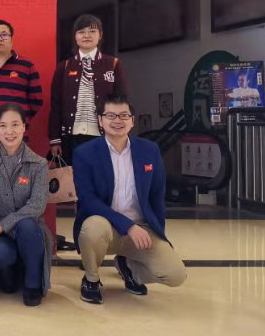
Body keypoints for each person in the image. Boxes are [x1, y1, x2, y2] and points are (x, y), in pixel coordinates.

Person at [74, 95, 187, 304]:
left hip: (141, 227)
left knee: (175, 274)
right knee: (92, 228)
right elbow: (88, 201)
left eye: (124, 115)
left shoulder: (149, 150)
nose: (118, 120)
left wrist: (159, 234)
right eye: (111, 115)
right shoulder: (85, 153)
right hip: (105, 226)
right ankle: (91, 279)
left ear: (132, 120)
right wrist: (128, 226)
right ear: (100, 120)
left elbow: (156, 196)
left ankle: (129, 270)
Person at [0, 104, 52, 306]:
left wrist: (2, 225)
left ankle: (33, 284)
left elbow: (36, 205)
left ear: (23, 127)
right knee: (1, 256)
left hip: (28, 231)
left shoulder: (38, 164)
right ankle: (11, 275)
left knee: (27, 225)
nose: (9, 131)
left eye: (15, 125)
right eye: (2, 125)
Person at [50, 14, 129, 165]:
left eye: (92, 31)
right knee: (74, 178)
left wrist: (118, 133)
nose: (86, 35)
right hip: (71, 137)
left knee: (101, 177)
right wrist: (55, 139)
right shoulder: (64, 67)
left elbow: (122, 102)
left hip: (103, 136)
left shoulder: (112, 64)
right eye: (81, 32)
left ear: (100, 35)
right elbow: (56, 105)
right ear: (75, 36)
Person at [0, 19, 42, 156]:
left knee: (17, 171)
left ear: (12, 39)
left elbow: (36, 101)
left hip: (15, 138)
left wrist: (16, 120)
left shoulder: (27, 66)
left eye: (4, 35)